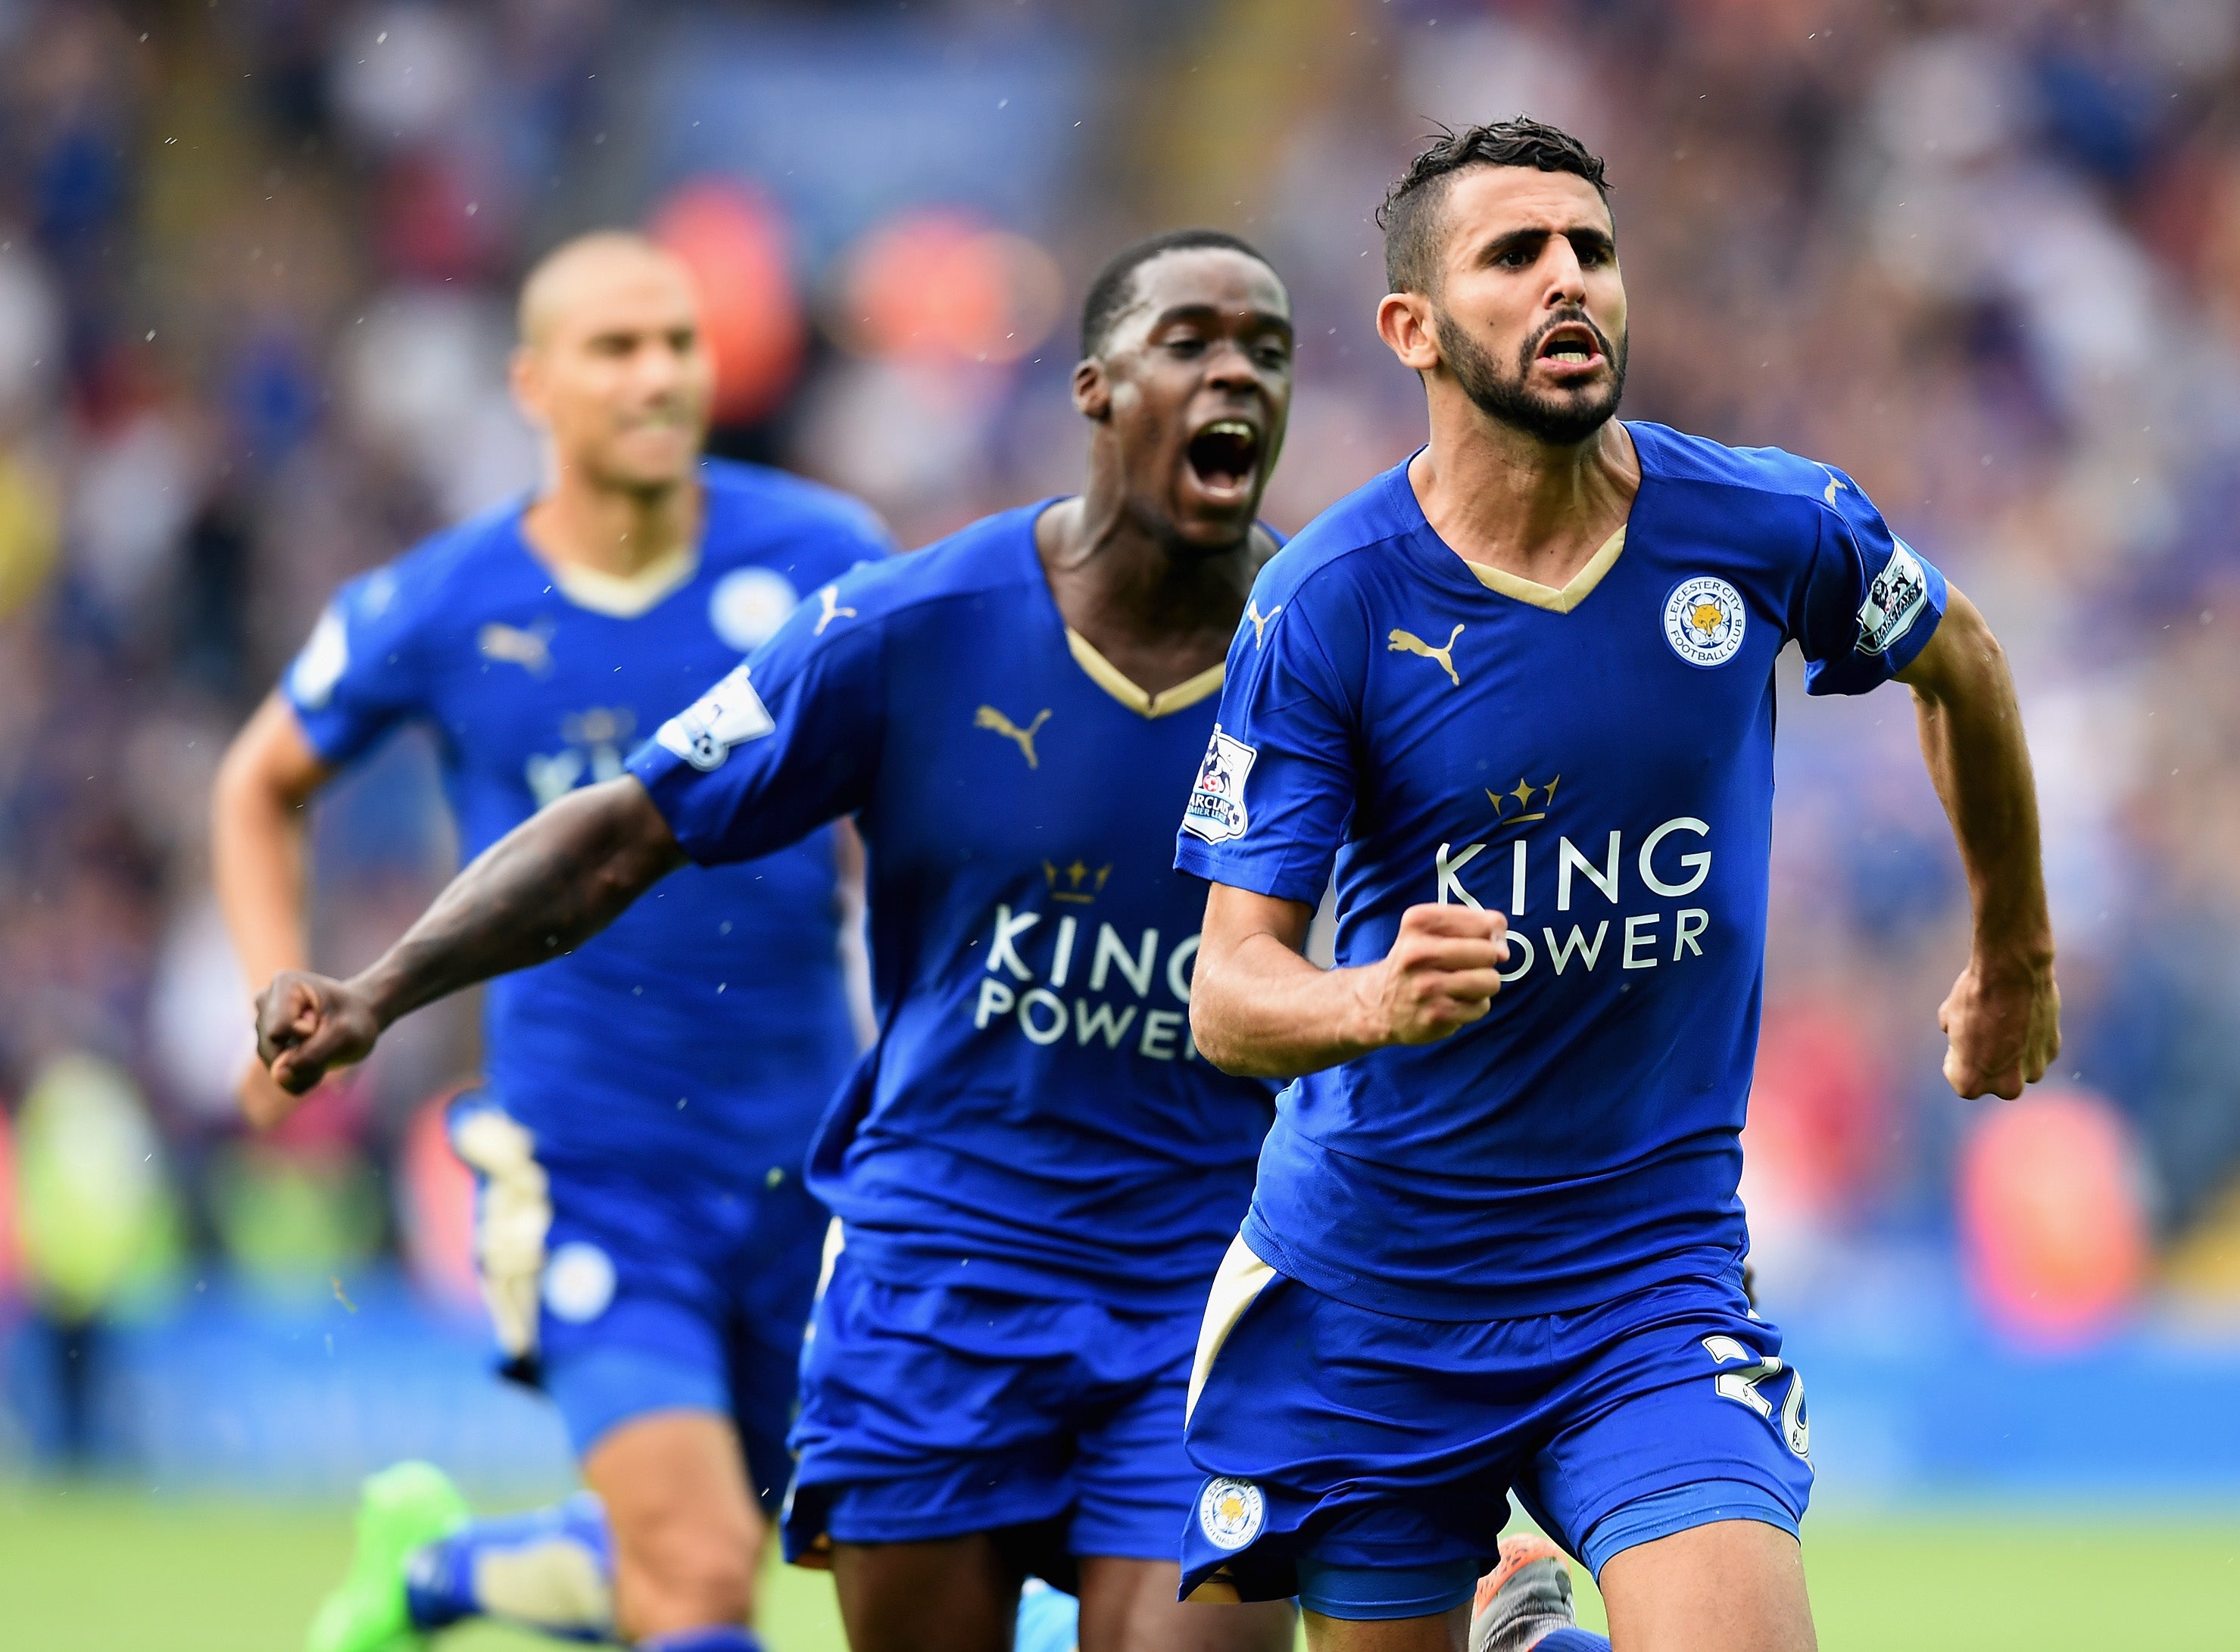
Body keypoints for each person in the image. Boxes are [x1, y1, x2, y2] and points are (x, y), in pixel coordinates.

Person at [249, 229, 1305, 1652]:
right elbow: (620, 827)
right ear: (1096, 388)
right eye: (1190, 341)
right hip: (862, 1243)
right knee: (691, 1574)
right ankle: (463, 1572)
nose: (1235, 370)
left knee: (722, 1555)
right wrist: (371, 990)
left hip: (1162, 1261)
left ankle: (465, 1573)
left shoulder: (1324, 640)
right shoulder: (905, 619)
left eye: (1267, 348)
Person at [1170, 120, 2061, 1652]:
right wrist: (1368, 995)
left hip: (1647, 1271)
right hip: (1379, 1283)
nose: (1567, 277)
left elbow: (1961, 661)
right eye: (1513, 256)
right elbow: (1227, 992)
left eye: (1590, 246)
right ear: (1414, 330)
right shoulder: (1327, 601)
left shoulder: (1767, 524)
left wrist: (2018, 954)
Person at [211, 232, 895, 1652]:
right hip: (586, 1161)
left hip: (806, 1153)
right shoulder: (442, 601)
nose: (658, 374)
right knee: (702, 1571)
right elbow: (257, 781)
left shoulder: (827, 558)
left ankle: (436, 1578)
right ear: (532, 382)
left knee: (746, 1539)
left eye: (679, 343)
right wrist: (268, 983)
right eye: (615, 347)